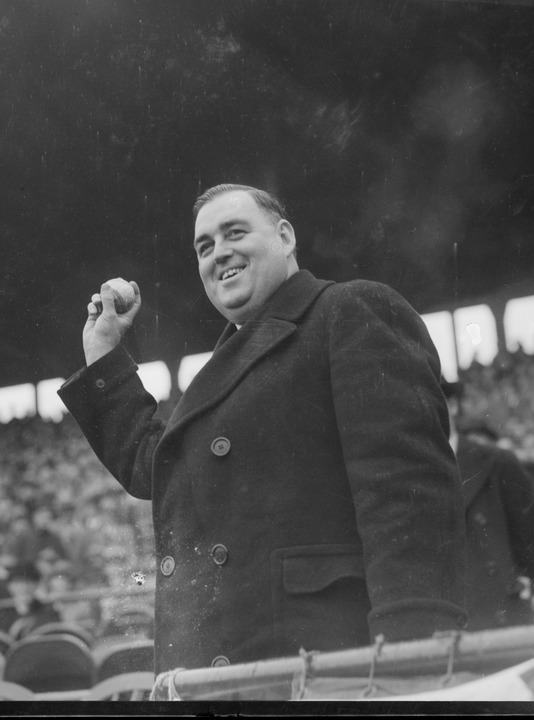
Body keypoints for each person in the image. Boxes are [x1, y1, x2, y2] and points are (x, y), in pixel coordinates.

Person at [58, 183, 467, 673]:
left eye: (235, 233)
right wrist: (104, 356)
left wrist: (413, 657)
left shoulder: (350, 310)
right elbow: (156, 466)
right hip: (233, 671)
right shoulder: (221, 367)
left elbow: (405, 500)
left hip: (328, 666)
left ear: (286, 236)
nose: (219, 253)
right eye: (204, 246)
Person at [443, 382, 534, 630]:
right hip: (447, 620)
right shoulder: (412, 474)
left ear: (452, 405)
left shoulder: (496, 462)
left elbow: (533, 534)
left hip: (501, 613)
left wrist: (526, 585)